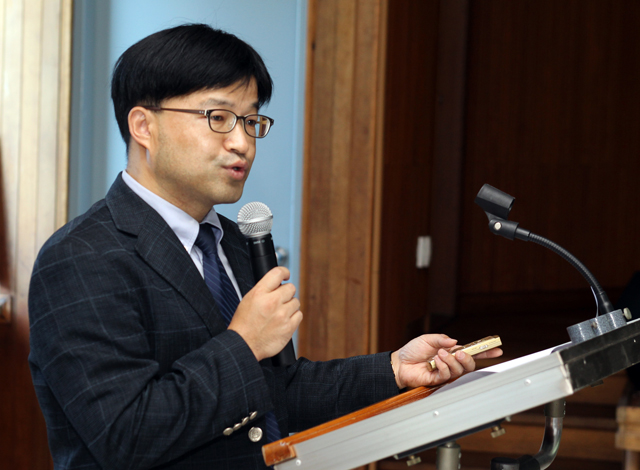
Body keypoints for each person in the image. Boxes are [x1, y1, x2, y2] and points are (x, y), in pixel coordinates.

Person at [28, 24, 502, 470]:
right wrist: (243, 342)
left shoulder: (236, 242)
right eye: (218, 118)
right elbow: (125, 436)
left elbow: (278, 389)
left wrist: (394, 369)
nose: (242, 142)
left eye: (252, 121)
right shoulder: (80, 258)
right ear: (143, 126)